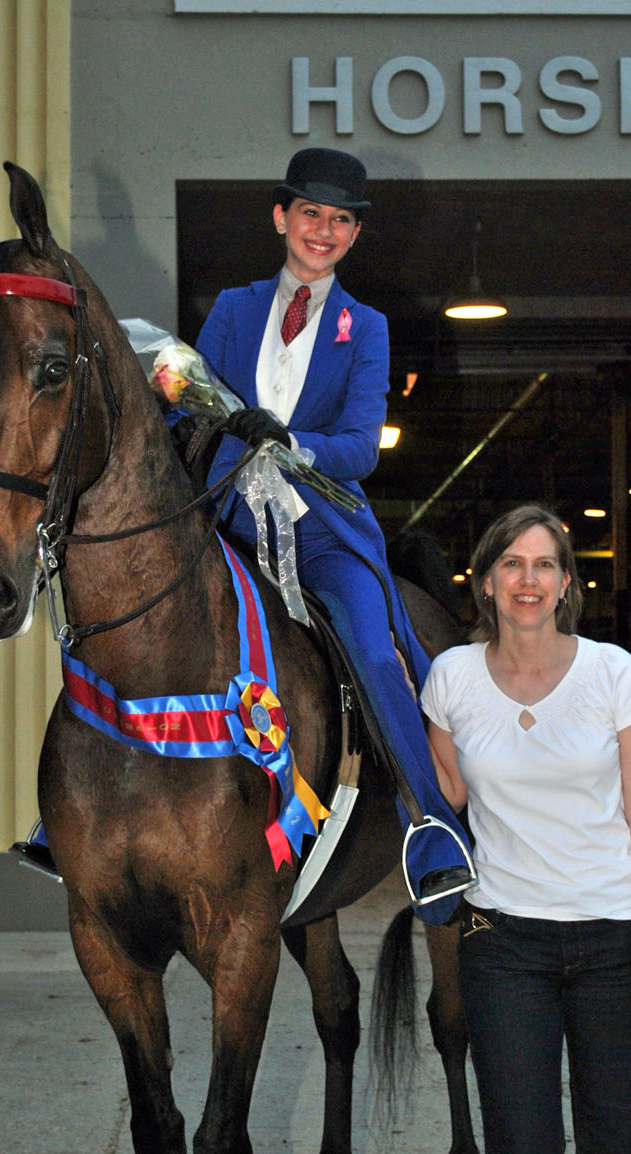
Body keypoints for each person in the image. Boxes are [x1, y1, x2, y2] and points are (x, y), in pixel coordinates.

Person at [194, 146, 474, 919]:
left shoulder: (369, 328)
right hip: (225, 519)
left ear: (353, 235)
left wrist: (289, 445)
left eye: (341, 220)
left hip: (322, 530)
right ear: (282, 217)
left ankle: (432, 826)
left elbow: (359, 443)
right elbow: (193, 411)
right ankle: (68, 814)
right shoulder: (231, 308)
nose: (324, 230)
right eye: (312, 213)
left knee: (377, 650)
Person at [421, 503, 631, 1154]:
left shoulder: (613, 673)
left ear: (566, 583)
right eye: (511, 564)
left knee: (619, 1153)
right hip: (501, 945)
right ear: (485, 582)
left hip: (616, 940)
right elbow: (448, 798)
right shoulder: (450, 677)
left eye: (543, 564)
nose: (526, 580)